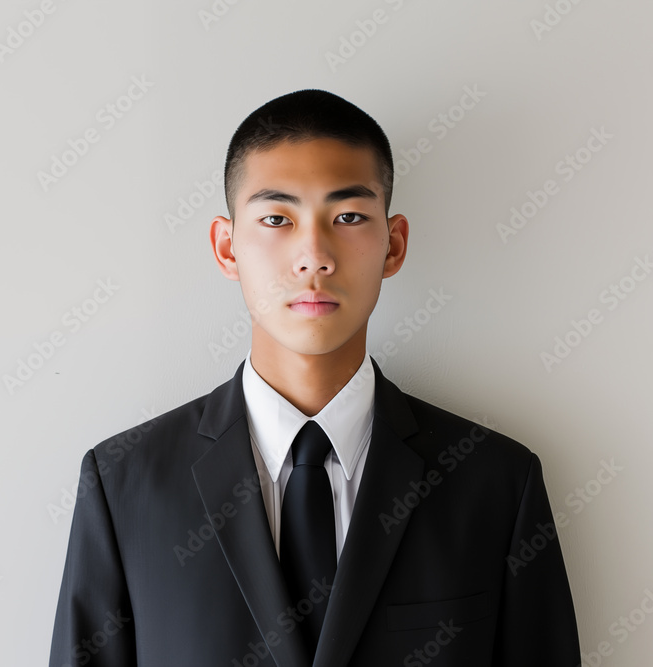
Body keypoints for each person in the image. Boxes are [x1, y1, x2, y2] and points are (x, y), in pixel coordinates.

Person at [48, 89, 579, 667]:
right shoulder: (125, 484)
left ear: (394, 244)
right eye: (277, 219)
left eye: (348, 217)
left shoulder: (495, 483)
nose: (314, 256)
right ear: (227, 248)